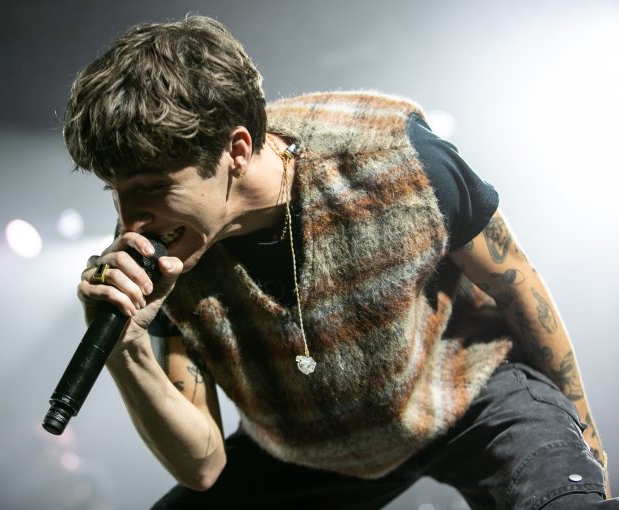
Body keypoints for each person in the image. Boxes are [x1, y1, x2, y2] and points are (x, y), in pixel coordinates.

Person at [62, 14, 614, 509]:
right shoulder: (157, 252)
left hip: (466, 394)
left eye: (152, 187)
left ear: (236, 150)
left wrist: (588, 446)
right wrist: (128, 347)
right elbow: (203, 469)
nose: (129, 219)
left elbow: (517, 285)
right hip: (307, 447)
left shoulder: (395, 156)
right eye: (115, 191)